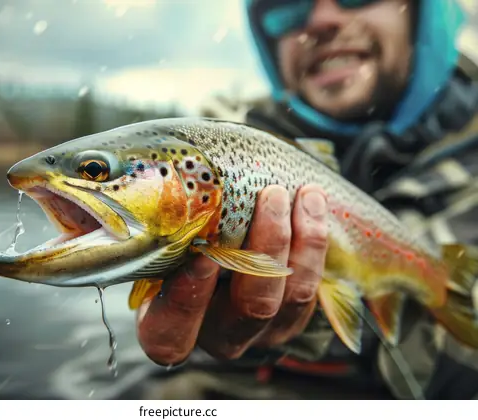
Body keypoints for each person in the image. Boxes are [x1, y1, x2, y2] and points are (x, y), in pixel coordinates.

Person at [135, 0, 478, 399]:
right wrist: (233, 348)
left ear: (427, 12)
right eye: (288, 6)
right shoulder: (205, 164)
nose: (322, 19)